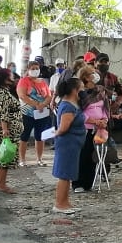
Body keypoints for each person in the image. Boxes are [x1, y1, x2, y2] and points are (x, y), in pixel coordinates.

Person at [51, 77, 87, 215]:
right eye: (81, 87)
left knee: (68, 174)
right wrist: (56, 132)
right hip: (67, 144)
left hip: (73, 144)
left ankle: (65, 202)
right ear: (74, 90)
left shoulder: (72, 104)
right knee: (64, 175)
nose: (83, 90)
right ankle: (60, 203)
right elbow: (64, 127)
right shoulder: (68, 106)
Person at [17, 57, 52, 166]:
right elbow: (22, 95)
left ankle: (39, 159)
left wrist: (43, 104)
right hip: (27, 113)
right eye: (33, 68)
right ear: (28, 69)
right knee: (24, 136)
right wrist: (36, 104)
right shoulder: (24, 81)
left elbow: (49, 96)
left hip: (42, 113)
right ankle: (22, 160)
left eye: (37, 68)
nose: (35, 70)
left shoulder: (42, 82)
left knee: (40, 136)